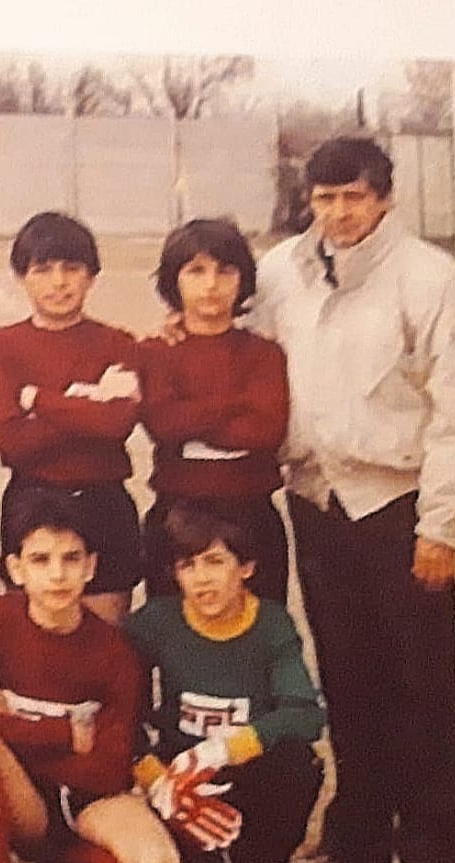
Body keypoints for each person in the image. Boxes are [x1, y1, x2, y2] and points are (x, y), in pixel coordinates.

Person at [249, 137, 455, 863]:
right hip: (317, 497)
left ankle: (430, 843)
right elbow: (241, 341)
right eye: (325, 198)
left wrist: (444, 524)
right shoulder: (281, 268)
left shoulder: (431, 279)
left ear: (385, 197)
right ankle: (358, 834)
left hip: (399, 504)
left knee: (419, 677)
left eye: (354, 197)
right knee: (348, 675)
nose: (339, 213)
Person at [0, 489, 179, 863]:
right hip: (21, 795)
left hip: (86, 799)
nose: (57, 575)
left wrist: (13, 726)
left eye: (71, 559)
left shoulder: (115, 652)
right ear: (16, 569)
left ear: (91, 566)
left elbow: (110, 768)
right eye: (41, 560)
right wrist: (66, 733)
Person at [126, 502, 324, 863]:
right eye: (187, 565)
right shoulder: (158, 621)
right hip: (179, 782)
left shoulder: (270, 624)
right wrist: (153, 773)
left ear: (247, 567)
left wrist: (223, 750)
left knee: (299, 762)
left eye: (215, 562)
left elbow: (305, 713)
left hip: (242, 771)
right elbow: (114, 697)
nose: (202, 579)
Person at [0, 212, 141, 625]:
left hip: (103, 502)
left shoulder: (117, 343)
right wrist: (87, 403)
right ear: (21, 276)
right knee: (35, 637)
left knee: (106, 637)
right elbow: (13, 441)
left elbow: (115, 425)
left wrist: (39, 400)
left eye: (72, 268)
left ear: (91, 276)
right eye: (43, 269)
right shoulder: (1, 346)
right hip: (31, 499)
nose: (58, 282)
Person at [139, 220, 289, 602]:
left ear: (243, 279)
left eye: (225, 271)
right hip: (177, 514)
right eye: (196, 271)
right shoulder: (156, 352)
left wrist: (193, 412)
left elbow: (265, 431)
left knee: (255, 638)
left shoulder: (264, 354)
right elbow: (164, 424)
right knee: (180, 643)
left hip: (251, 514)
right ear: (174, 280)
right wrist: (235, 402)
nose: (211, 285)